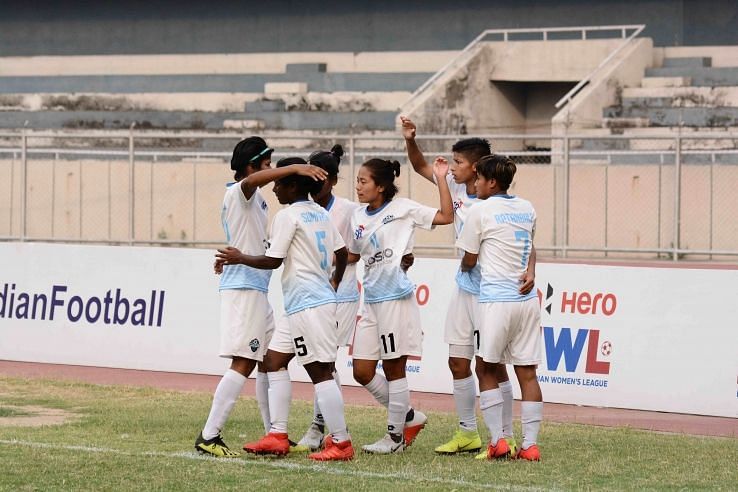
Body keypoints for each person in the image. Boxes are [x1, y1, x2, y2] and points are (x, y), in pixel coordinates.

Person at [401, 116, 534, 456]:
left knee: (491, 365)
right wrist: (411, 139)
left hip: (492, 293)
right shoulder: (457, 188)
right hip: (465, 289)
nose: (452, 167)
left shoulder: (499, 201)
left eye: (458, 162)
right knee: (458, 362)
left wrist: (531, 268)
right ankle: (467, 433)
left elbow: (528, 241)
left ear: (477, 169)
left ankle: (504, 436)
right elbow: (418, 165)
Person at [194, 138, 327, 458]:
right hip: (244, 291)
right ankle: (209, 436)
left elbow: (249, 238)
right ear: (252, 165)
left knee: (269, 362)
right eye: (269, 164)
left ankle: (274, 434)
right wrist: (295, 167)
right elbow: (250, 182)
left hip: (255, 288)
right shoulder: (240, 191)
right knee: (244, 361)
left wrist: (236, 255)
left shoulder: (257, 202)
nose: (273, 173)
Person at [218, 156, 354, 462]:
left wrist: (240, 257)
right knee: (271, 361)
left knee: (320, 372)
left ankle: (342, 443)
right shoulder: (319, 212)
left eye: (279, 183)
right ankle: (277, 435)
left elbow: (273, 261)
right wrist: (333, 281)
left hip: (309, 305)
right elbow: (342, 252)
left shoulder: (289, 215)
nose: (274, 188)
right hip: (303, 304)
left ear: (293, 186)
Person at [349, 157, 454, 454]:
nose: (358, 187)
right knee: (362, 370)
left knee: (394, 368)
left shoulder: (403, 208)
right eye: (357, 180)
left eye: (363, 181)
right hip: (370, 301)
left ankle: (394, 438)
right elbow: (354, 255)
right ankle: (408, 416)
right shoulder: (357, 216)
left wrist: (441, 179)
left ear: (380, 186)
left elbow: (447, 216)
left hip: (396, 298)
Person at [455, 154, 543, 462]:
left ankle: (498, 442)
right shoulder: (526, 207)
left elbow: (468, 258)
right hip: (526, 301)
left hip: (496, 301)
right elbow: (531, 247)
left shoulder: (480, 211)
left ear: (492, 182)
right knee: (527, 373)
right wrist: (531, 271)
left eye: (478, 178)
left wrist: (467, 266)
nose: (474, 183)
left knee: (484, 368)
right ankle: (530, 446)